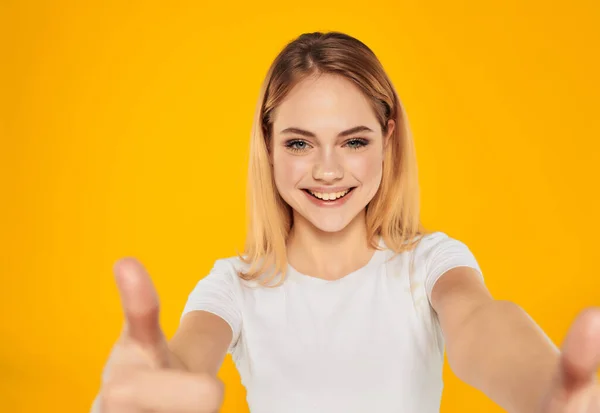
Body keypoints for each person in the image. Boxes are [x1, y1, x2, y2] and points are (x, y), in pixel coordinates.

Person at [91, 32, 600, 413]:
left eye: (354, 141)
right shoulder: (235, 287)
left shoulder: (429, 264)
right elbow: (187, 356)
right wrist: (152, 386)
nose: (328, 170)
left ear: (388, 138)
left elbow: (479, 325)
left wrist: (545, 388)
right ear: (268, 147)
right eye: (299, 143)